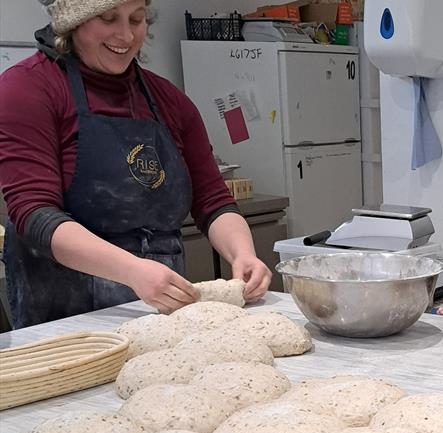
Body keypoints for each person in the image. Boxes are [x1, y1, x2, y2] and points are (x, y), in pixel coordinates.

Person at [0, 0, 271, 329]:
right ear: (72, 24)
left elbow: (213, 201)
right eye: (108, 18)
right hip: (63, 317)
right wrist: (131, 270)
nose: (126, 35)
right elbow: (34, 215)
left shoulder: (170, 101)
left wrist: (243, 254)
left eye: (137, 19)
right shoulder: (28, 89)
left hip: (158, 310)